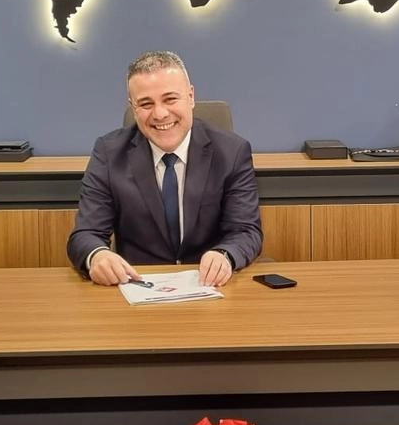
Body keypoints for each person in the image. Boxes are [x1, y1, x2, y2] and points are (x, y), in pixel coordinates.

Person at [67, 51, 262, 286]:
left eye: (170, 99)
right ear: (133, 108)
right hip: (139, 285)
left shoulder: (232, 151)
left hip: (209, 285)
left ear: (191, 97)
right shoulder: (109, 153)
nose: (160, 114)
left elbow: (246, 230)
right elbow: (85, 234)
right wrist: (97, 255)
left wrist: (225, 255)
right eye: (146, 104)